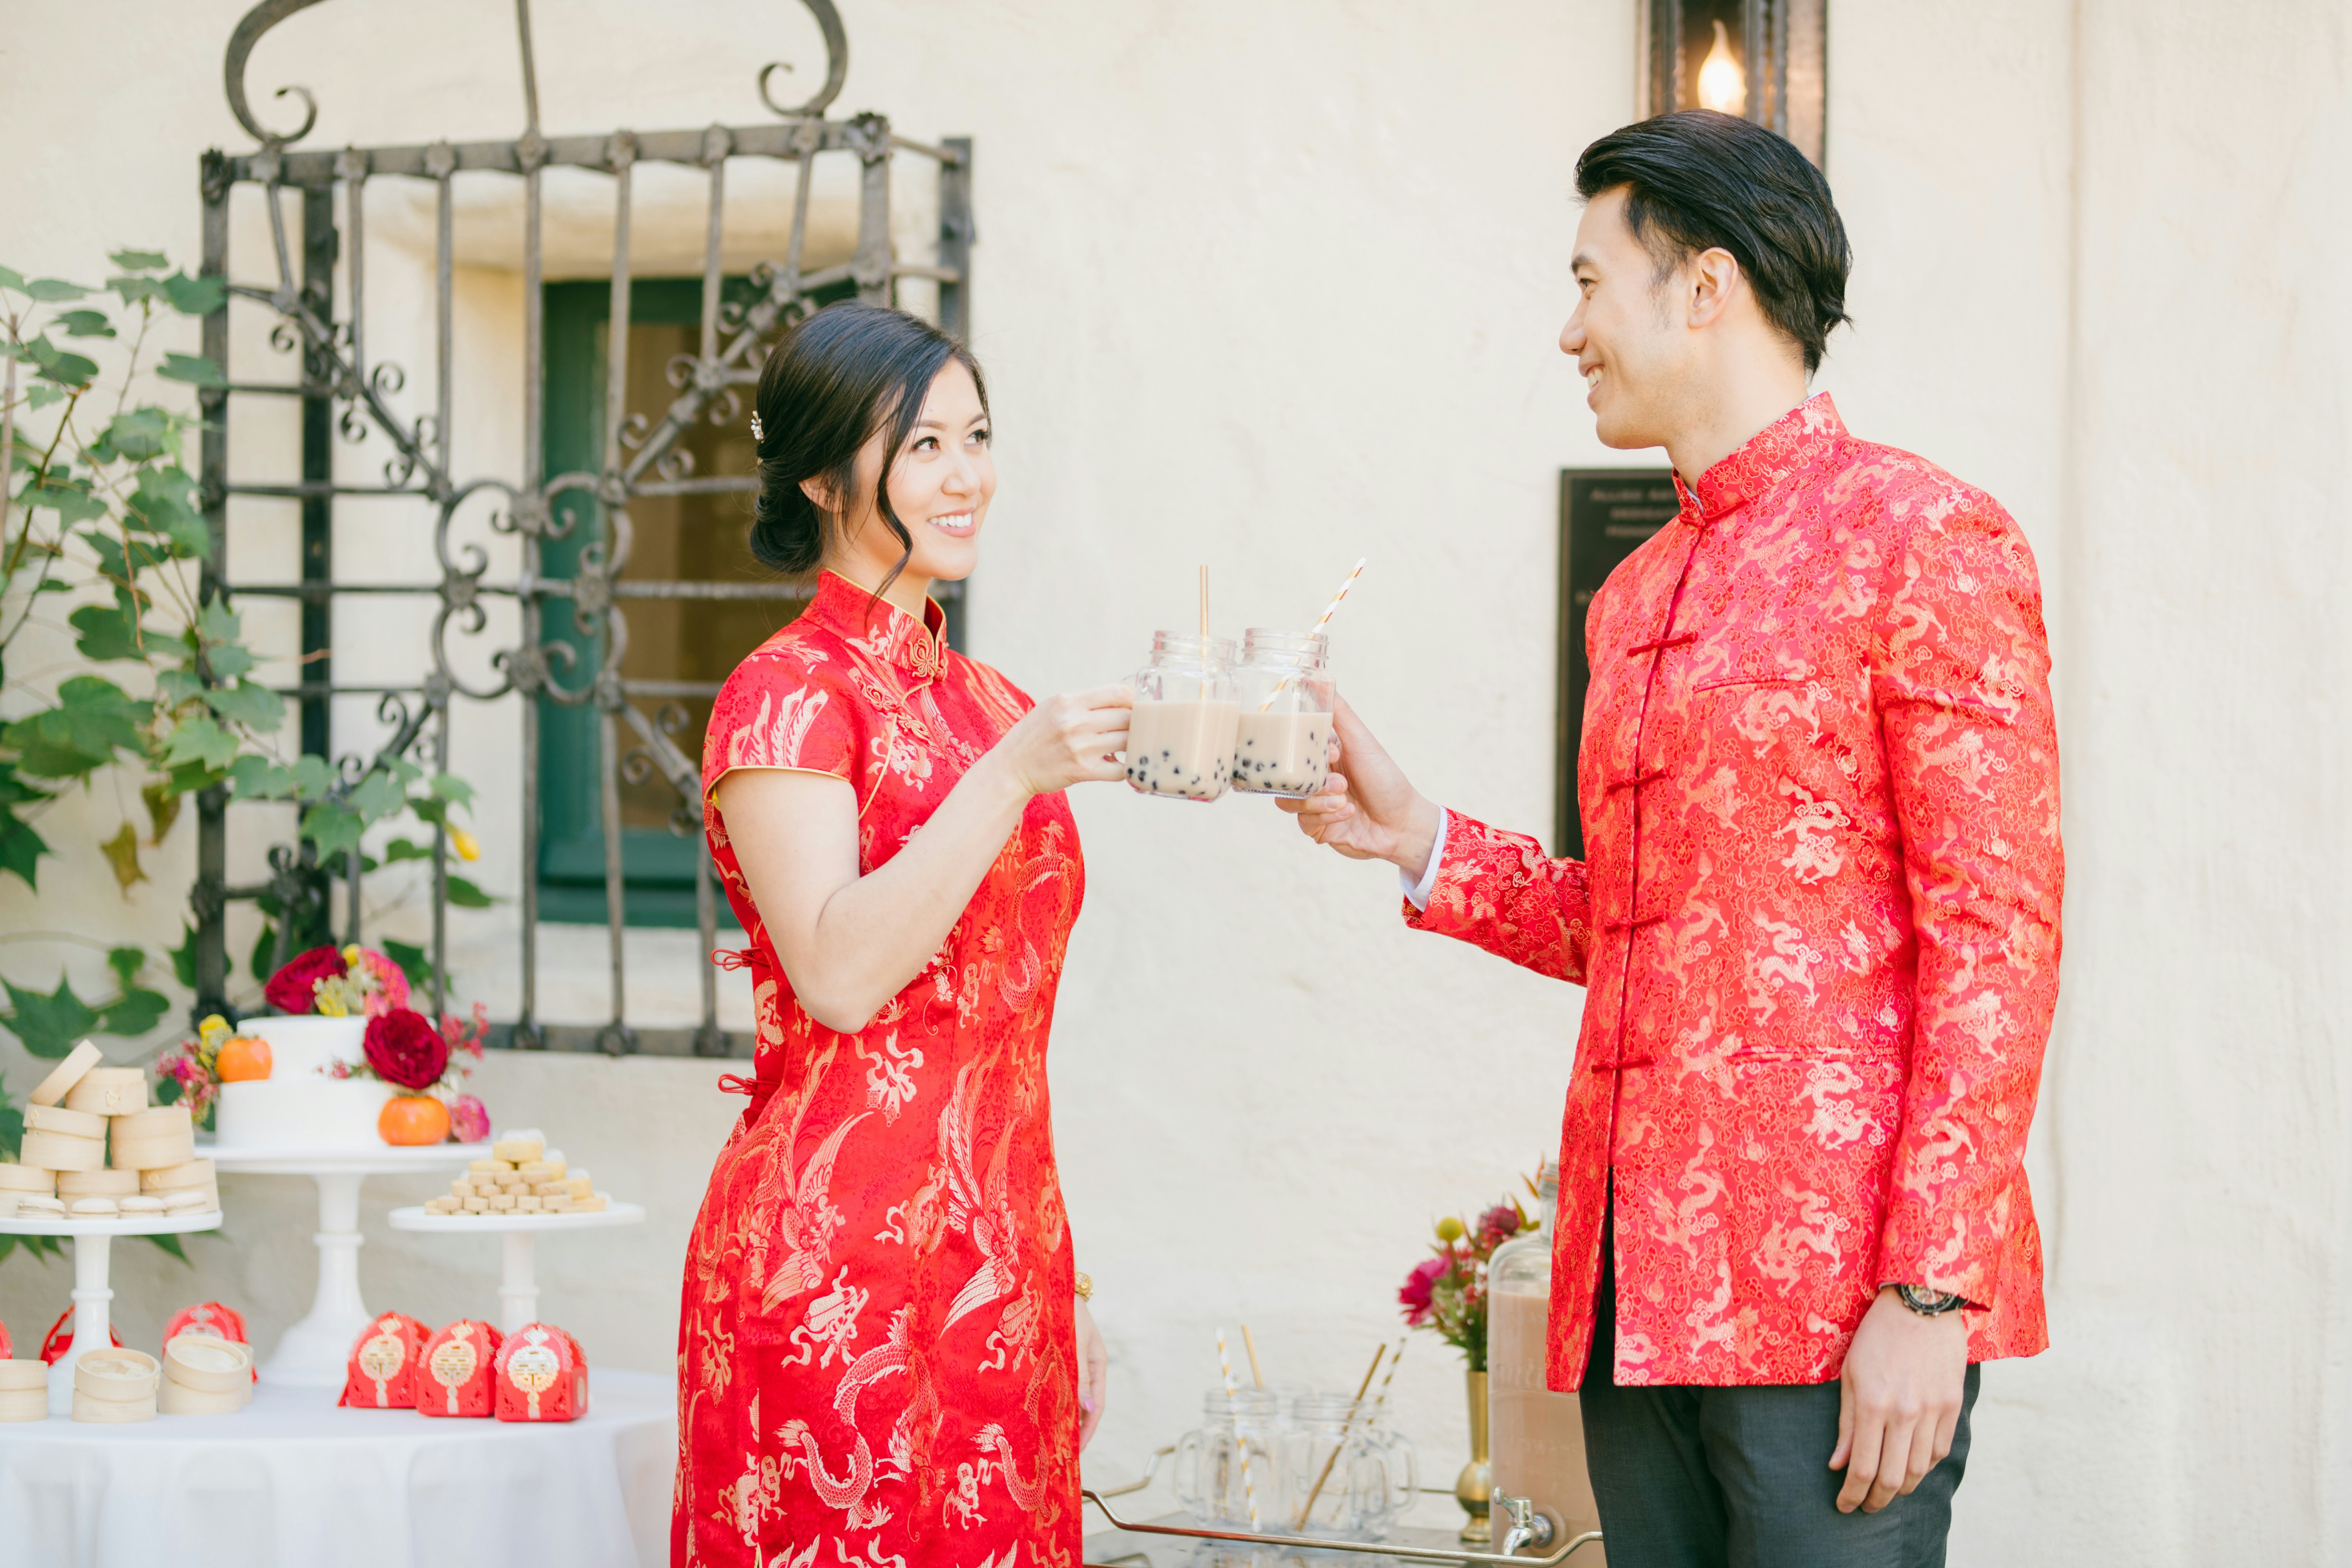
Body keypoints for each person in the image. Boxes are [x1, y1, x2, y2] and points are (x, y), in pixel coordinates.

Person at [1283, 111, 2063, 1566]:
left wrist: (1931, 1295)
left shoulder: (1928, 538)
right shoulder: (1635, 595)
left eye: (1589, 281)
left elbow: (1998, 938)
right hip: (1629, 1300)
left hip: (1834, 1306)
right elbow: (1647, 931)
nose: (1569, 329)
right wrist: (1420, 839)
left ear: (1704, 288)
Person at [674, 302, 1132, 1568]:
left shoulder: (988, 700)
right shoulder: (784, 695)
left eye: (976, 436)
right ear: (825, 476)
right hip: (828, 1279)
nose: (966, 474)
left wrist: (1058, 1283)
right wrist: (1011, 776)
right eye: (922, 445)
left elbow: (996, 1022)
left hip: (1002, 1259)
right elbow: (836, 972)